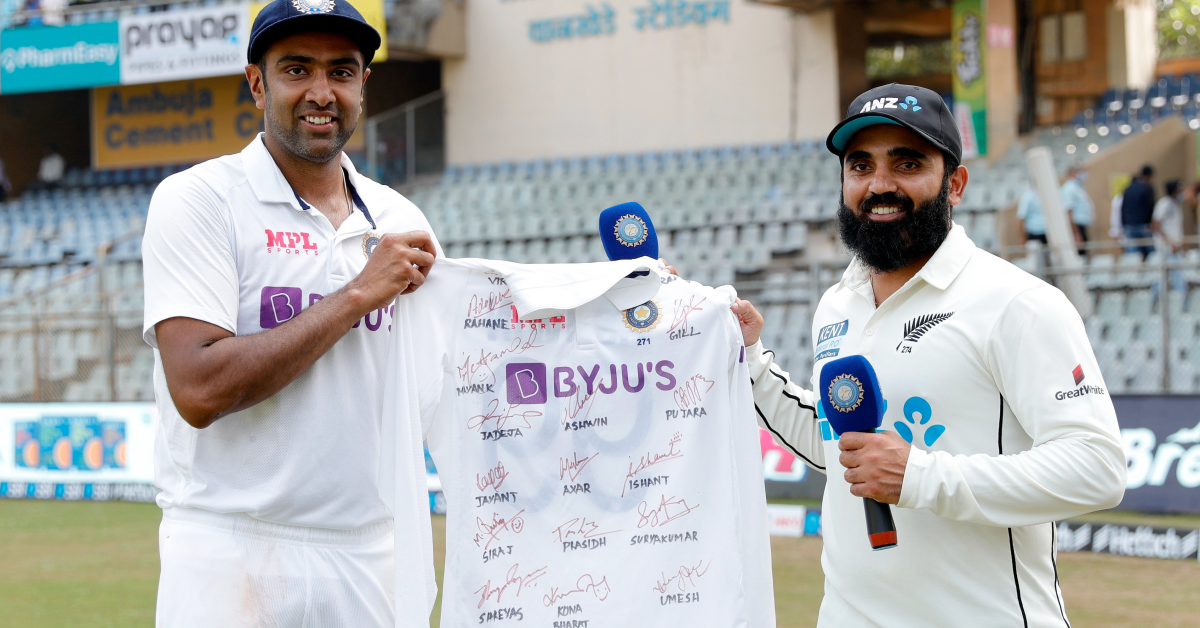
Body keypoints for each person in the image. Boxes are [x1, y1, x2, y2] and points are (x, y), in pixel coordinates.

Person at [728, 83, 1125, 627]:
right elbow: (837, 448)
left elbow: (1097, 469)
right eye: (860, 166)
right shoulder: (838, 303)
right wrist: (748, 359)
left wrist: (918, 476)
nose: (880, 185)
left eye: (907, 163)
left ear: (954, 183)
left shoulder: (1017, 303)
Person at [142, 1, 440, 626]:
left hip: (367, 549)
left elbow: (457, 381)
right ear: (257, 82)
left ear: (364, 83)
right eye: (297, 69)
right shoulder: (198, 200)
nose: (321, 92)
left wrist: (642, 314)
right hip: (229, 544)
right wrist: (357, 294)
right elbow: (199, 388)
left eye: (341, 71)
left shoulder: (399, 220)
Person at [1151, 179, 1186, 297]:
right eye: (1179, 189)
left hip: (1175, 247)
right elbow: (1155, 224)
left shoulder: (1175, 204)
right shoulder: (1164, 203)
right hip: (1166, 248)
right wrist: (1170, 242)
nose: (1181, 191)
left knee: (1166, 278)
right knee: (1174, 278)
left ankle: (1154, 300)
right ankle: (1182, 305)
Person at [1122, 165, 1157, 259]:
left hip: (1129, 225)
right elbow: (1151, 206)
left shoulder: (1128, 188)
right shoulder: (1147, 187)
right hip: (1144, 225)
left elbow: (1122, 208)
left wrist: (1124, 224)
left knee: (1133, 255)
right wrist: (1150, 222)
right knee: (1151, 255)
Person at [1060, 166, 1094, 255]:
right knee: (1079, 254)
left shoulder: (1077, 187)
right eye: (1079, 172)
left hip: (1081, 225)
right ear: (1072, 173)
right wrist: (1076, 234)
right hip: (1076, 226)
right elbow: (1068, 212)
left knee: (1084, 252)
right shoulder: (1069, 188)